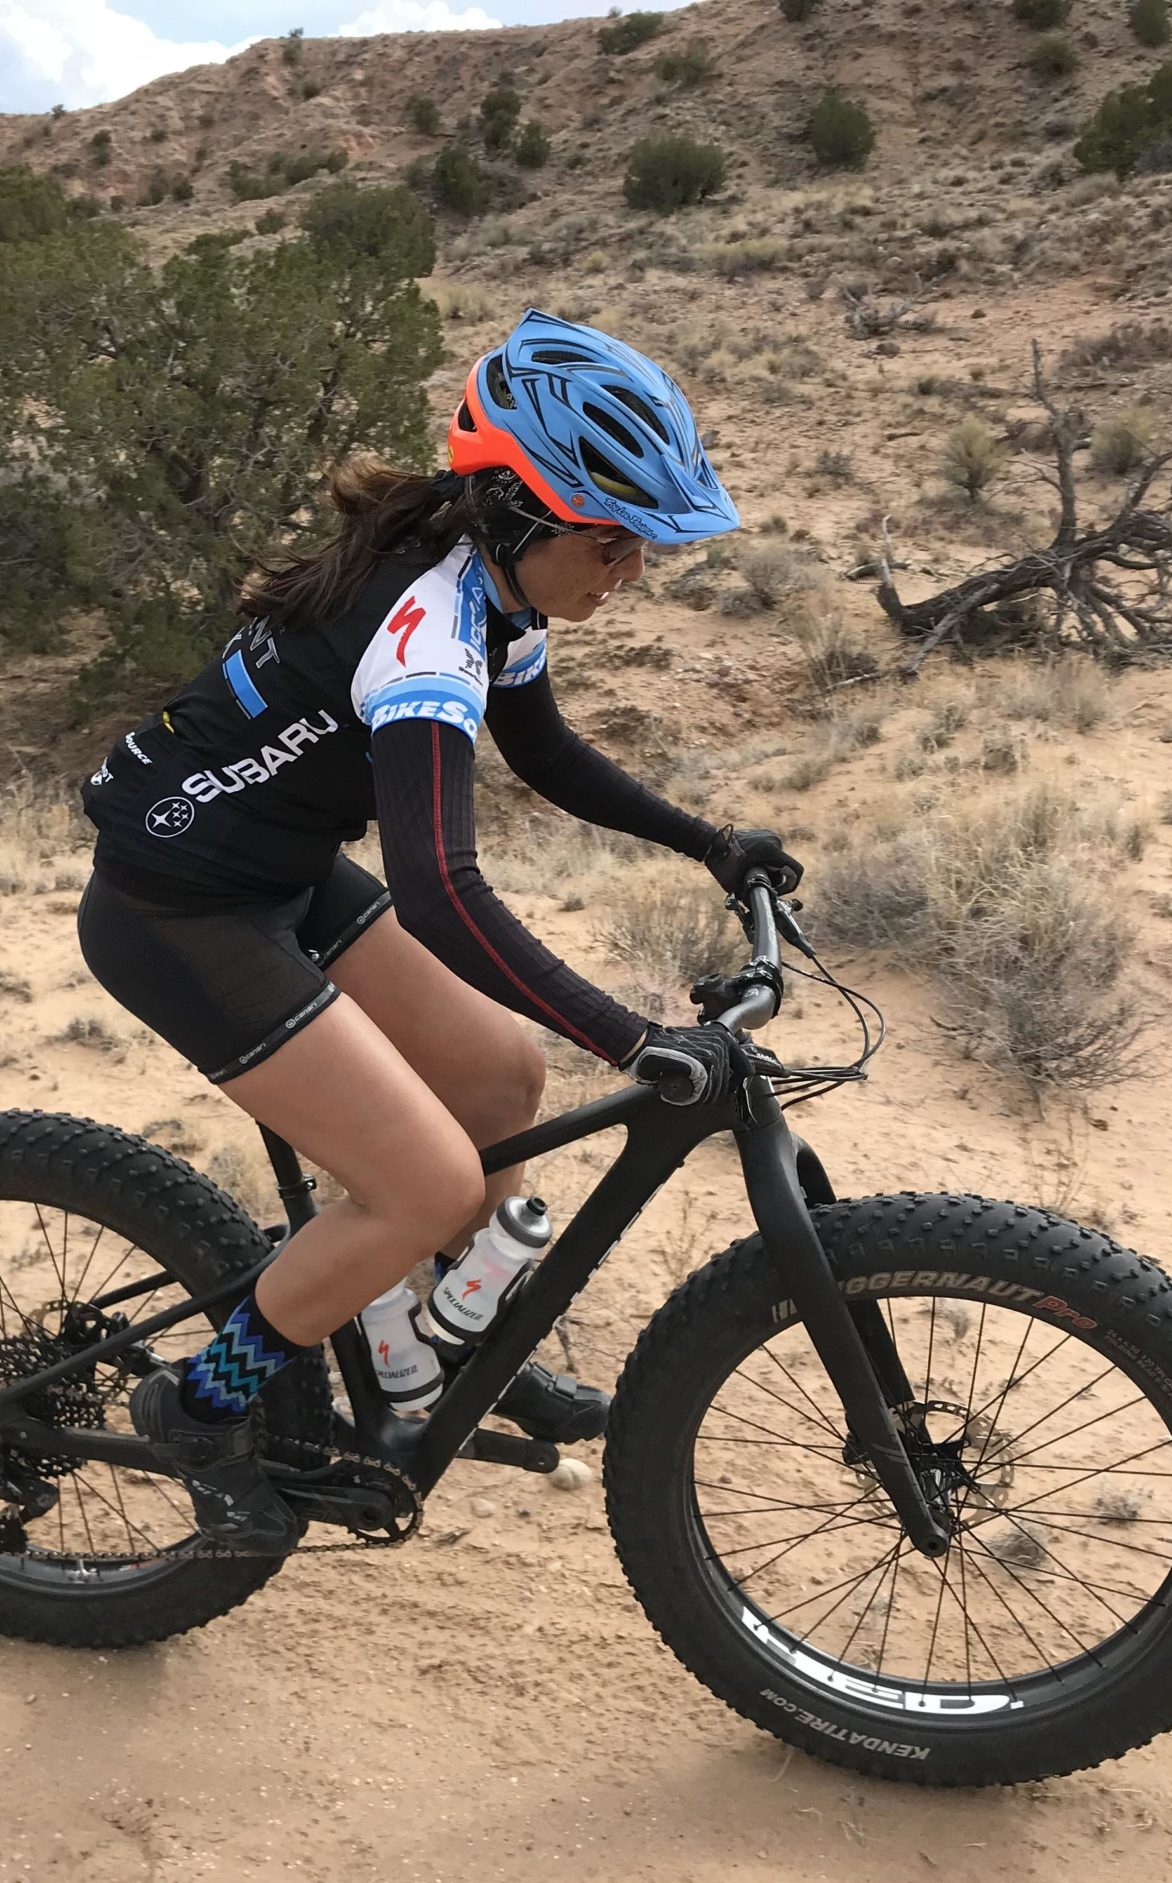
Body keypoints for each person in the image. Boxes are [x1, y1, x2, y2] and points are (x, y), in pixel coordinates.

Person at [76, 311, 803, 1550]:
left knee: (501, 1072)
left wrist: (708, 843)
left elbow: (548, 753)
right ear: (521, 507)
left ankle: (464, 1338)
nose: (628, 573)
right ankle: (196, 1410)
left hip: (279, 869)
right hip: (175, 906)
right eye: (615, 543)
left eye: (642, 549)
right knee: (421, 1184)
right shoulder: (426, 627)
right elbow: (442, 892)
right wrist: (635, 1043)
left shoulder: (488, 581)